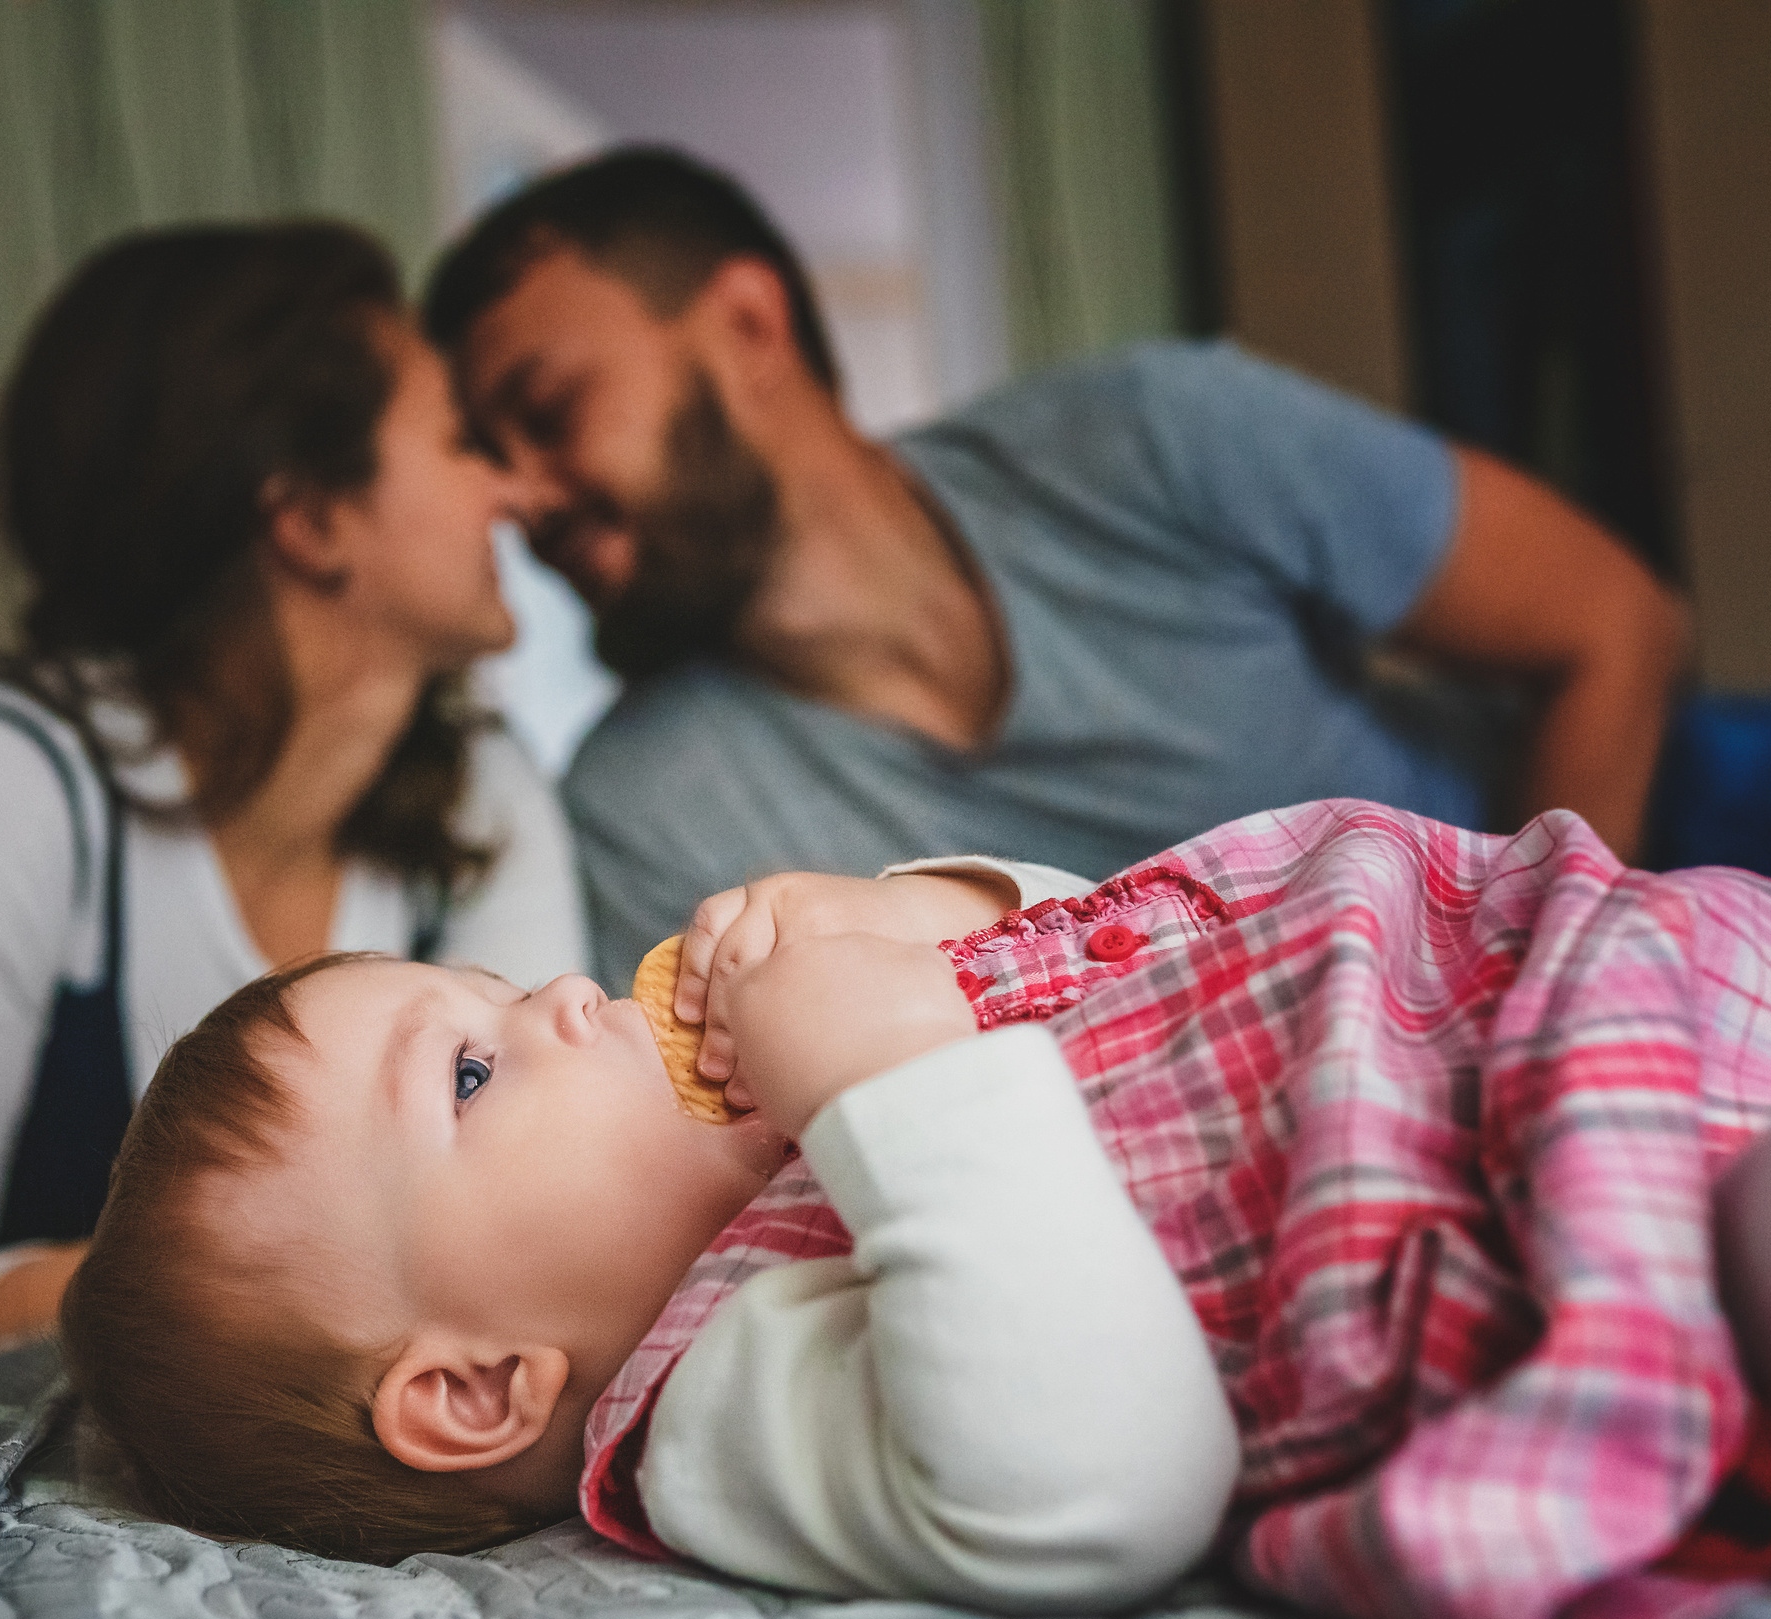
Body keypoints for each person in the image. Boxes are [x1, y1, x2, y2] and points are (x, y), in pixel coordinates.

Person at [58, 798, 1771, 1619]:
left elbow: (1131, 957)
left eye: (496, 980)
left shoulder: (794, 1115)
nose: (569, 997)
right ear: (473, 1384)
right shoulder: (719, 1394)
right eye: (473, 1068)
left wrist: (916, 919)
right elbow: (1091, 1482)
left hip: (1627, 996)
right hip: (1676, 1233)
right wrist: (894, 1086)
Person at [419, 148, 1694, 992]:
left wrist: (1542, 1004)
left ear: (749, 325)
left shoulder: (1155, 435)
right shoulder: (643, 815)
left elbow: (1609, 621)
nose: (519, 496)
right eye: (486, 454)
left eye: (549, 407)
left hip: (1591, 915)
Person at [0, 222, 585, 1356]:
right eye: (461, 441)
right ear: (313, 520)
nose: (521, 489)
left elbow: (551, 1205)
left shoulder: (484, 789)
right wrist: (246, 1303)